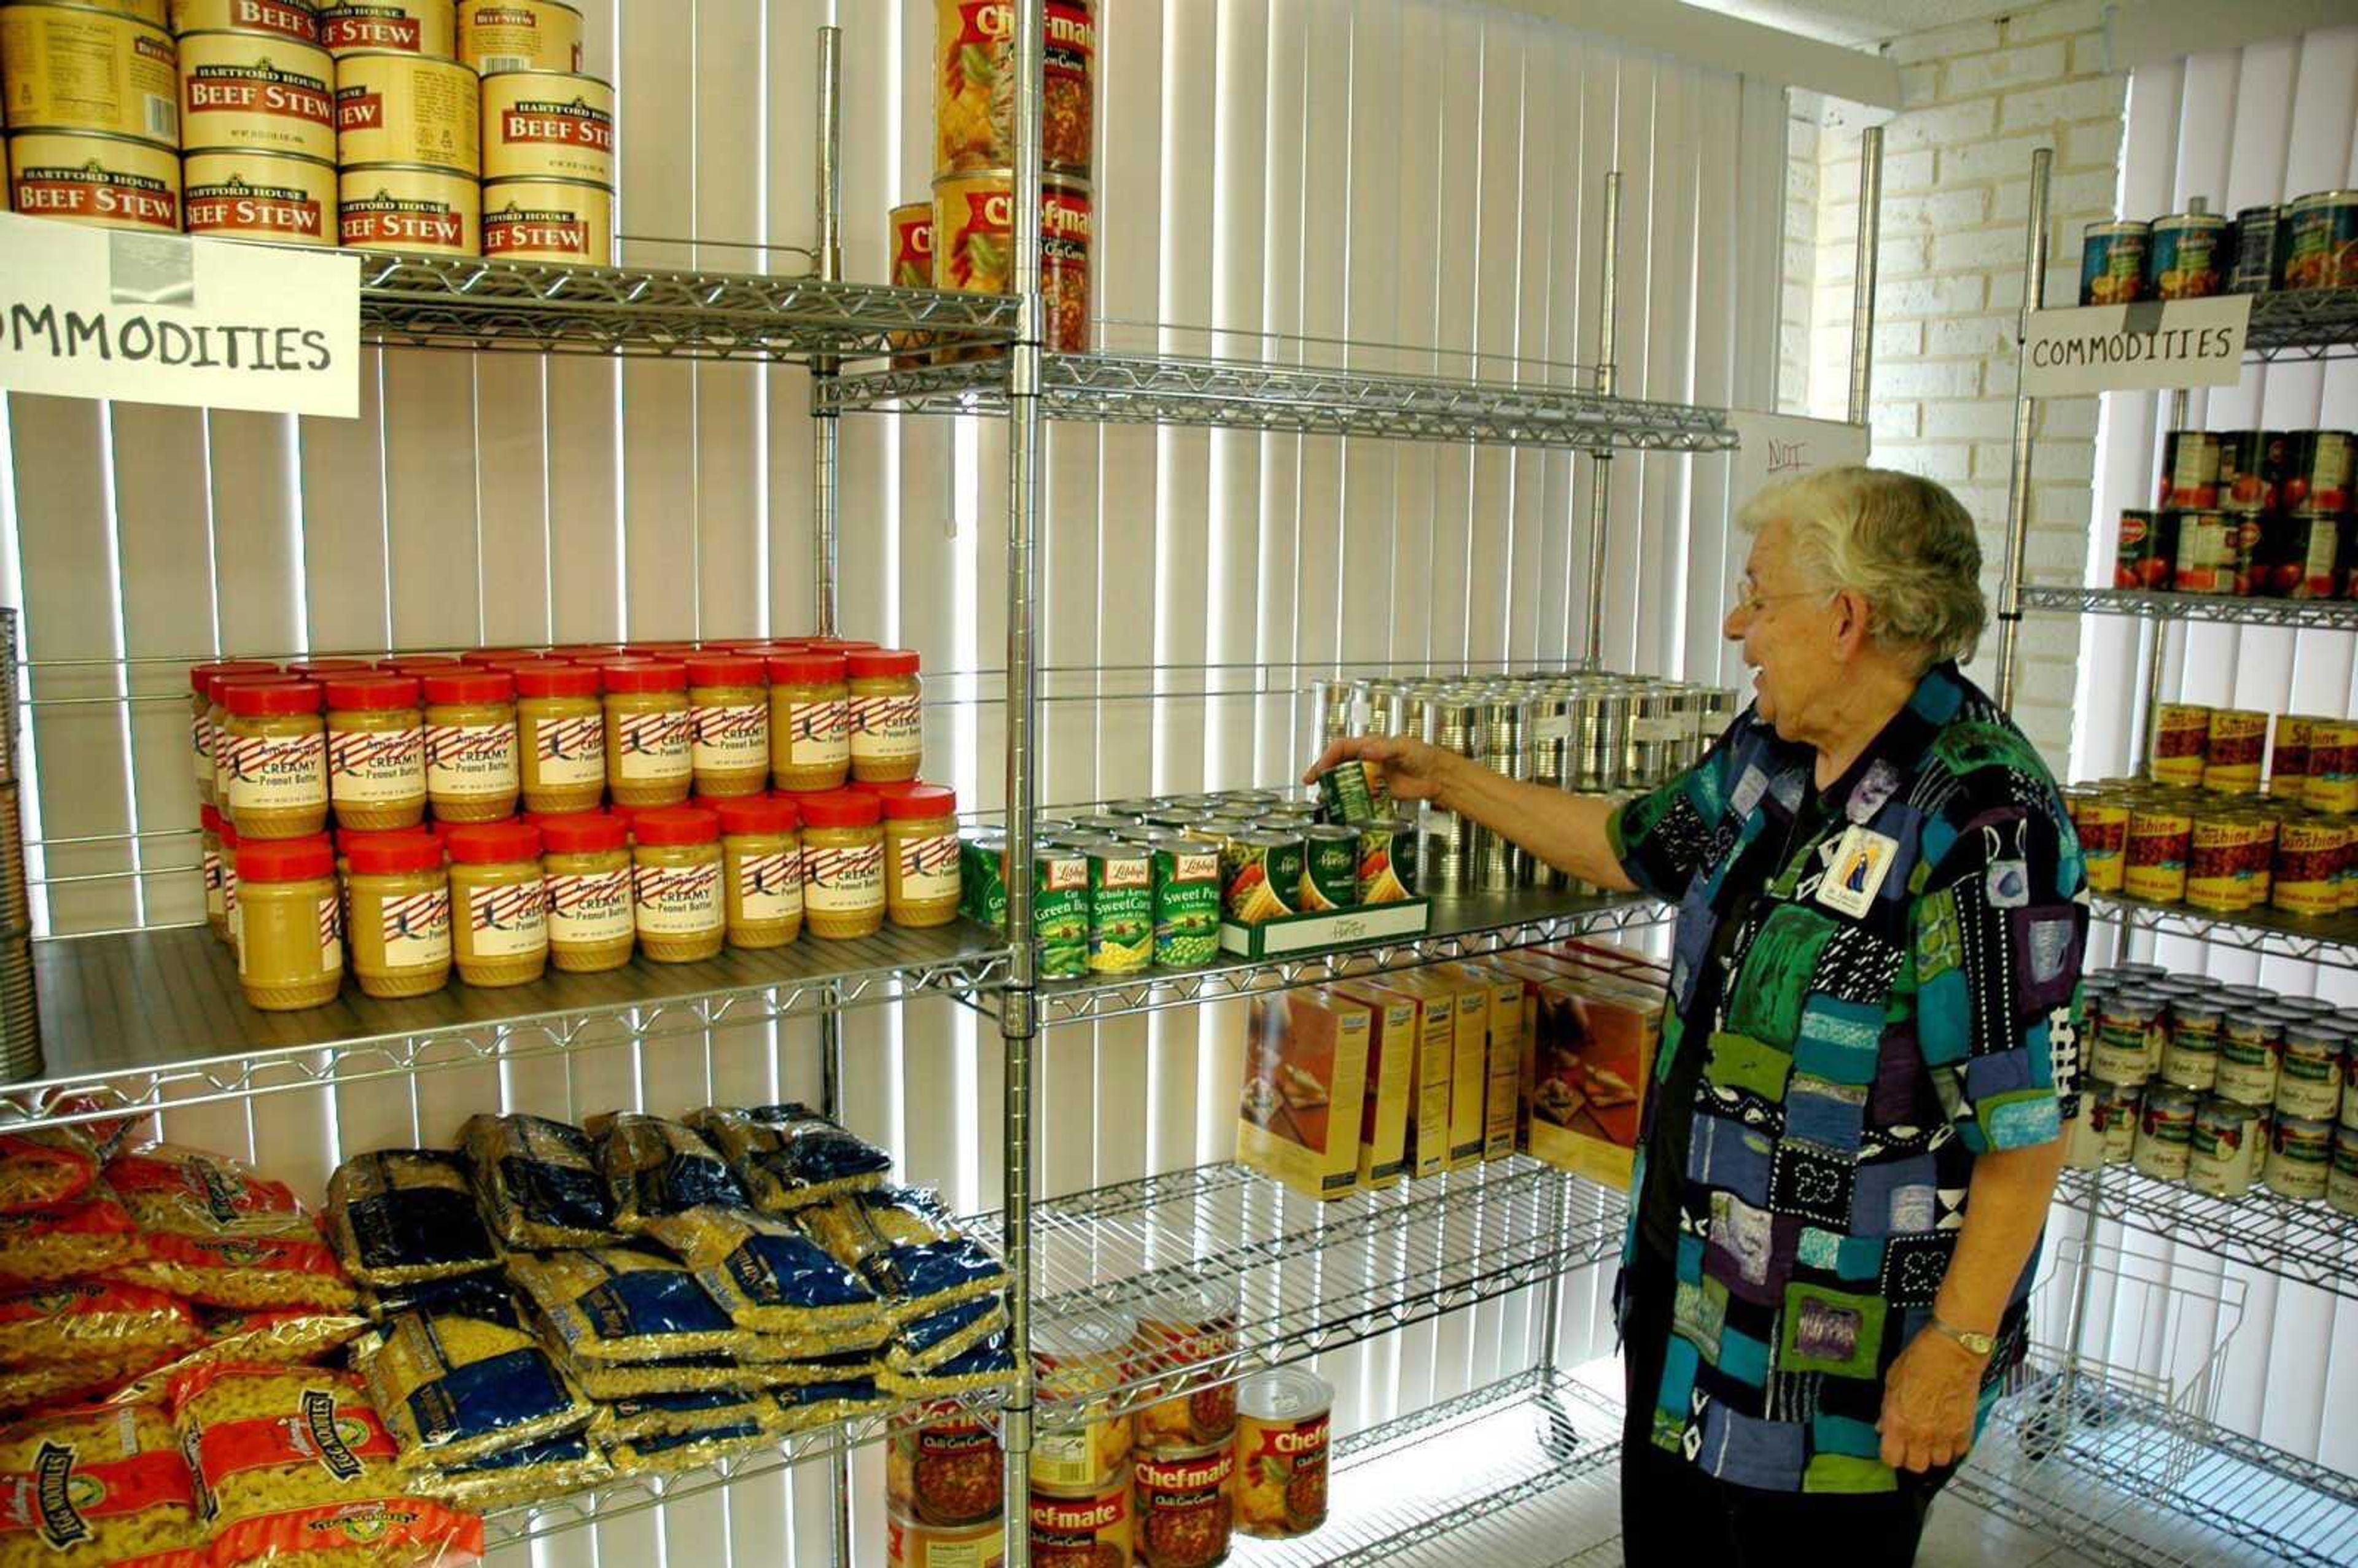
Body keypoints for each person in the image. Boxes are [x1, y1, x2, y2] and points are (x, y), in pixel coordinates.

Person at [1306, 467, 2085, 1565]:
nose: (1737, 625)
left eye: (1758, 597)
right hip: (1692, 1306)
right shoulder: (1771, 754)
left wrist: (1954, 1353)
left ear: (1846, 618)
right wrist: (1442, 777)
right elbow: (1623, 842)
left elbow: (2025, 1127)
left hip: (1841, 1364)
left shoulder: (1984, 821)